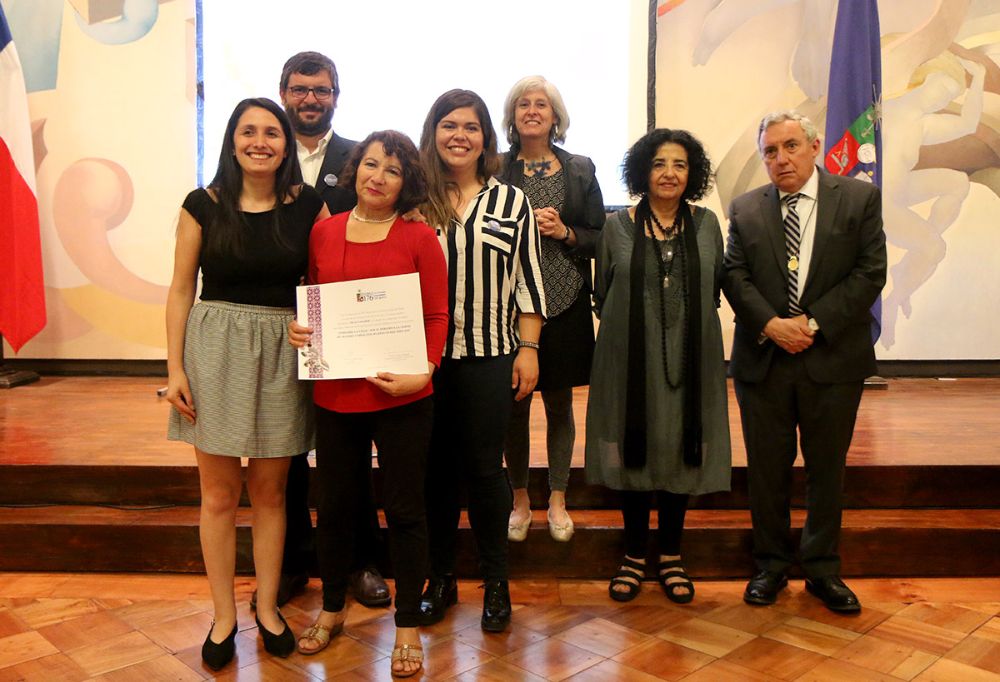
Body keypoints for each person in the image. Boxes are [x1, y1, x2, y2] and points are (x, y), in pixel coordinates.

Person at [165, 97, 330, 670]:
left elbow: (326, 280)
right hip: (213, 351)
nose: (260, 141)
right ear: (231, 141)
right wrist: (174, 368)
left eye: (272, 133)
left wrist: (318, 331)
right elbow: (181, 289)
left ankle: (267, 607)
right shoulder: (201, 205)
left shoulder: (311, 204)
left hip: (283, 354)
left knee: (271, 493)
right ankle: (220, 615)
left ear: (287, 144)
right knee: (216, 495)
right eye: (248, 131)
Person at [288, 130, 447, 677]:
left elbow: (436, 316)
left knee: (404, 509)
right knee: (333, 508)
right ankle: (332, 608)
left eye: (393, 170)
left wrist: (422, 372)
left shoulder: (420, 237)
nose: (378, 177)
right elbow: (314, 300)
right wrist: (301, 333)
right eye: (371, 165)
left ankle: (406, 624)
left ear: (408, 182)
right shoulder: (324, 232)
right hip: (336, 393)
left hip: (404, 396)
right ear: (355, 169)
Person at [723, 110, 886, 613]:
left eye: (790, 146)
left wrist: (810, 324)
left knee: (825, 468)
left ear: (814, 148)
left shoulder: (858, 198)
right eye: (770, 151)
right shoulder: (746, 208)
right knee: (767, 470)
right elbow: (734, 274)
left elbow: (869, 273)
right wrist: (772, 325)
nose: (780, 159)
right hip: (764, 358)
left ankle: (821, 568)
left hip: (832, 358)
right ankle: (770, 564)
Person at [417, 89, 546, 632]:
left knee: (486, 472)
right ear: (433, 133)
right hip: (424, 361)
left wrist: (530, 348)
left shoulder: (511, 202)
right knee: (436, 473)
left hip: (491, 356)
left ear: (486, 139)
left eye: (471, 127)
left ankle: (496, 582)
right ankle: (440, 578)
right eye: (449, 125)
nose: (459, 136)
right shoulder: (416, 200)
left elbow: (528, 281)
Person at [586, 129, 731, 604]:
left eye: (680, 165)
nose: (669, 173)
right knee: (637, 446)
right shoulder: (616, 226)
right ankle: (632, 553)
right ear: (642, 171)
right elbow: (604, 295)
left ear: (693, 174)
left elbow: (713, 290)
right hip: (629, 357)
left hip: (691, 357)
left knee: (677, 445)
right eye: (659, 163)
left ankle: (670, 553)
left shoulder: (708, 224)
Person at [274, 51, 391, 609]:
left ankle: (363, 562)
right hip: (279, 322)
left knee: (349, 454)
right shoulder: (263, 154)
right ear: (284, 94)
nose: (310, 99)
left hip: (345, 324)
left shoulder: (359, 158)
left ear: (336, 96)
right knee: (285, 450)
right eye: (300, 89)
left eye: (321, 90)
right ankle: (294, 561)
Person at [498, 76, 605, 543]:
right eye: (523, 104)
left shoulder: (579, 168)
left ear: (555, 116)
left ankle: (557, 498)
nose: (532, 111)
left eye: (541, 104)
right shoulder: (496, 168)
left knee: (560, 405)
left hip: (566, 303)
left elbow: (601, 235)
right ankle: (520, 499)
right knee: (513, 406)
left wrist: (565, 232)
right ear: (512, 116)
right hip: (508, 307)